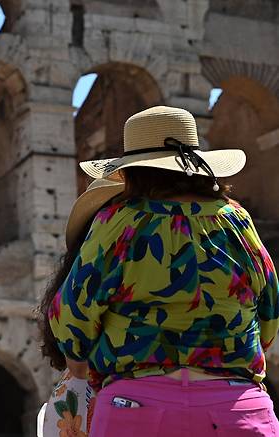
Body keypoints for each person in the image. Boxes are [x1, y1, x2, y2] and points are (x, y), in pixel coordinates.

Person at [49, 106, 279, 436]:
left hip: (136, 410)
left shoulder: (118, 222)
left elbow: (71, 317)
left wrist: (79, 365)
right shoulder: (236, 220)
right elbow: (269, 313)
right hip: (238, 409)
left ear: (133, 172)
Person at [36, 178, 123, 437]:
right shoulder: (231, 221)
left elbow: (76, 358)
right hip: (231, 401)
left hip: (90, 402)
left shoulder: (108, 235)